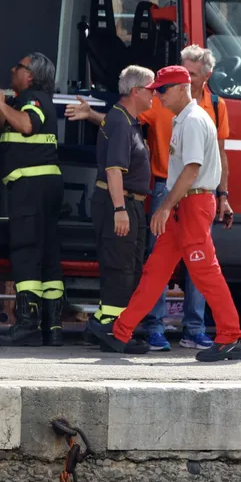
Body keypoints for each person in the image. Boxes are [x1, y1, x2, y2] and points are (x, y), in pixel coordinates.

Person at [66, 44, 234, 351]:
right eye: (156, 90)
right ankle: (122, 330)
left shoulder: (193, 120)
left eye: (164, 90)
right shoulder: (182, 117)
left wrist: (165, 207)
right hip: (183, 204)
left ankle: (230, 336)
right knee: (155, 270)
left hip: (191, 203)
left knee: (205, 270)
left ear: (183, 88)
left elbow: (191, 171)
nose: (159, 96)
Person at [0, 52, 65, 347]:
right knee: (47, 256)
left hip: (30, 188)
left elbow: (26, 125)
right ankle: (53, 327)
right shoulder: (29, 99)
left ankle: (26, 325)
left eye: (18, 66)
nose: (13, 69)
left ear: (31, 75)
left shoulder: (32, 98)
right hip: (42, 186)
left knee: (25, 252)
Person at [89, 65, 155, 342]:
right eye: (151, 89)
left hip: (132, 204)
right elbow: (114, 170)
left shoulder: (128, 121)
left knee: (130, 267)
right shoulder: (119, 122)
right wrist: (120, 210)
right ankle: (110, 328)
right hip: (120, 203)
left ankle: (106, 323)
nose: (156, 95)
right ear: (136, 91)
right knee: (120, 268)